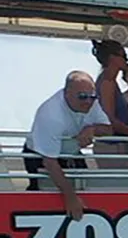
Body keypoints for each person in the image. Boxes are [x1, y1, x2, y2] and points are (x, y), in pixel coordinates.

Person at [22, 71, 112, 219]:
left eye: (93, 96)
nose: (88, 101)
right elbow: (50, 162)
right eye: (82, 97)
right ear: (67, 93)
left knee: (85, 185)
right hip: (40, 154)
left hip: (72, 151)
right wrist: (71, 198)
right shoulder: (51, 115)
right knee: (44, 192)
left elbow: (108, 130)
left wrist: (93, 129)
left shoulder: (92, 103)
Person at [92, 39, 128, 169]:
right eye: (123, 56)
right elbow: (110, 120)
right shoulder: (108, 82)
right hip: (112, 146)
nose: (127, 59)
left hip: (117, 144)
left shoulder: (108, 81)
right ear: (112, 58)